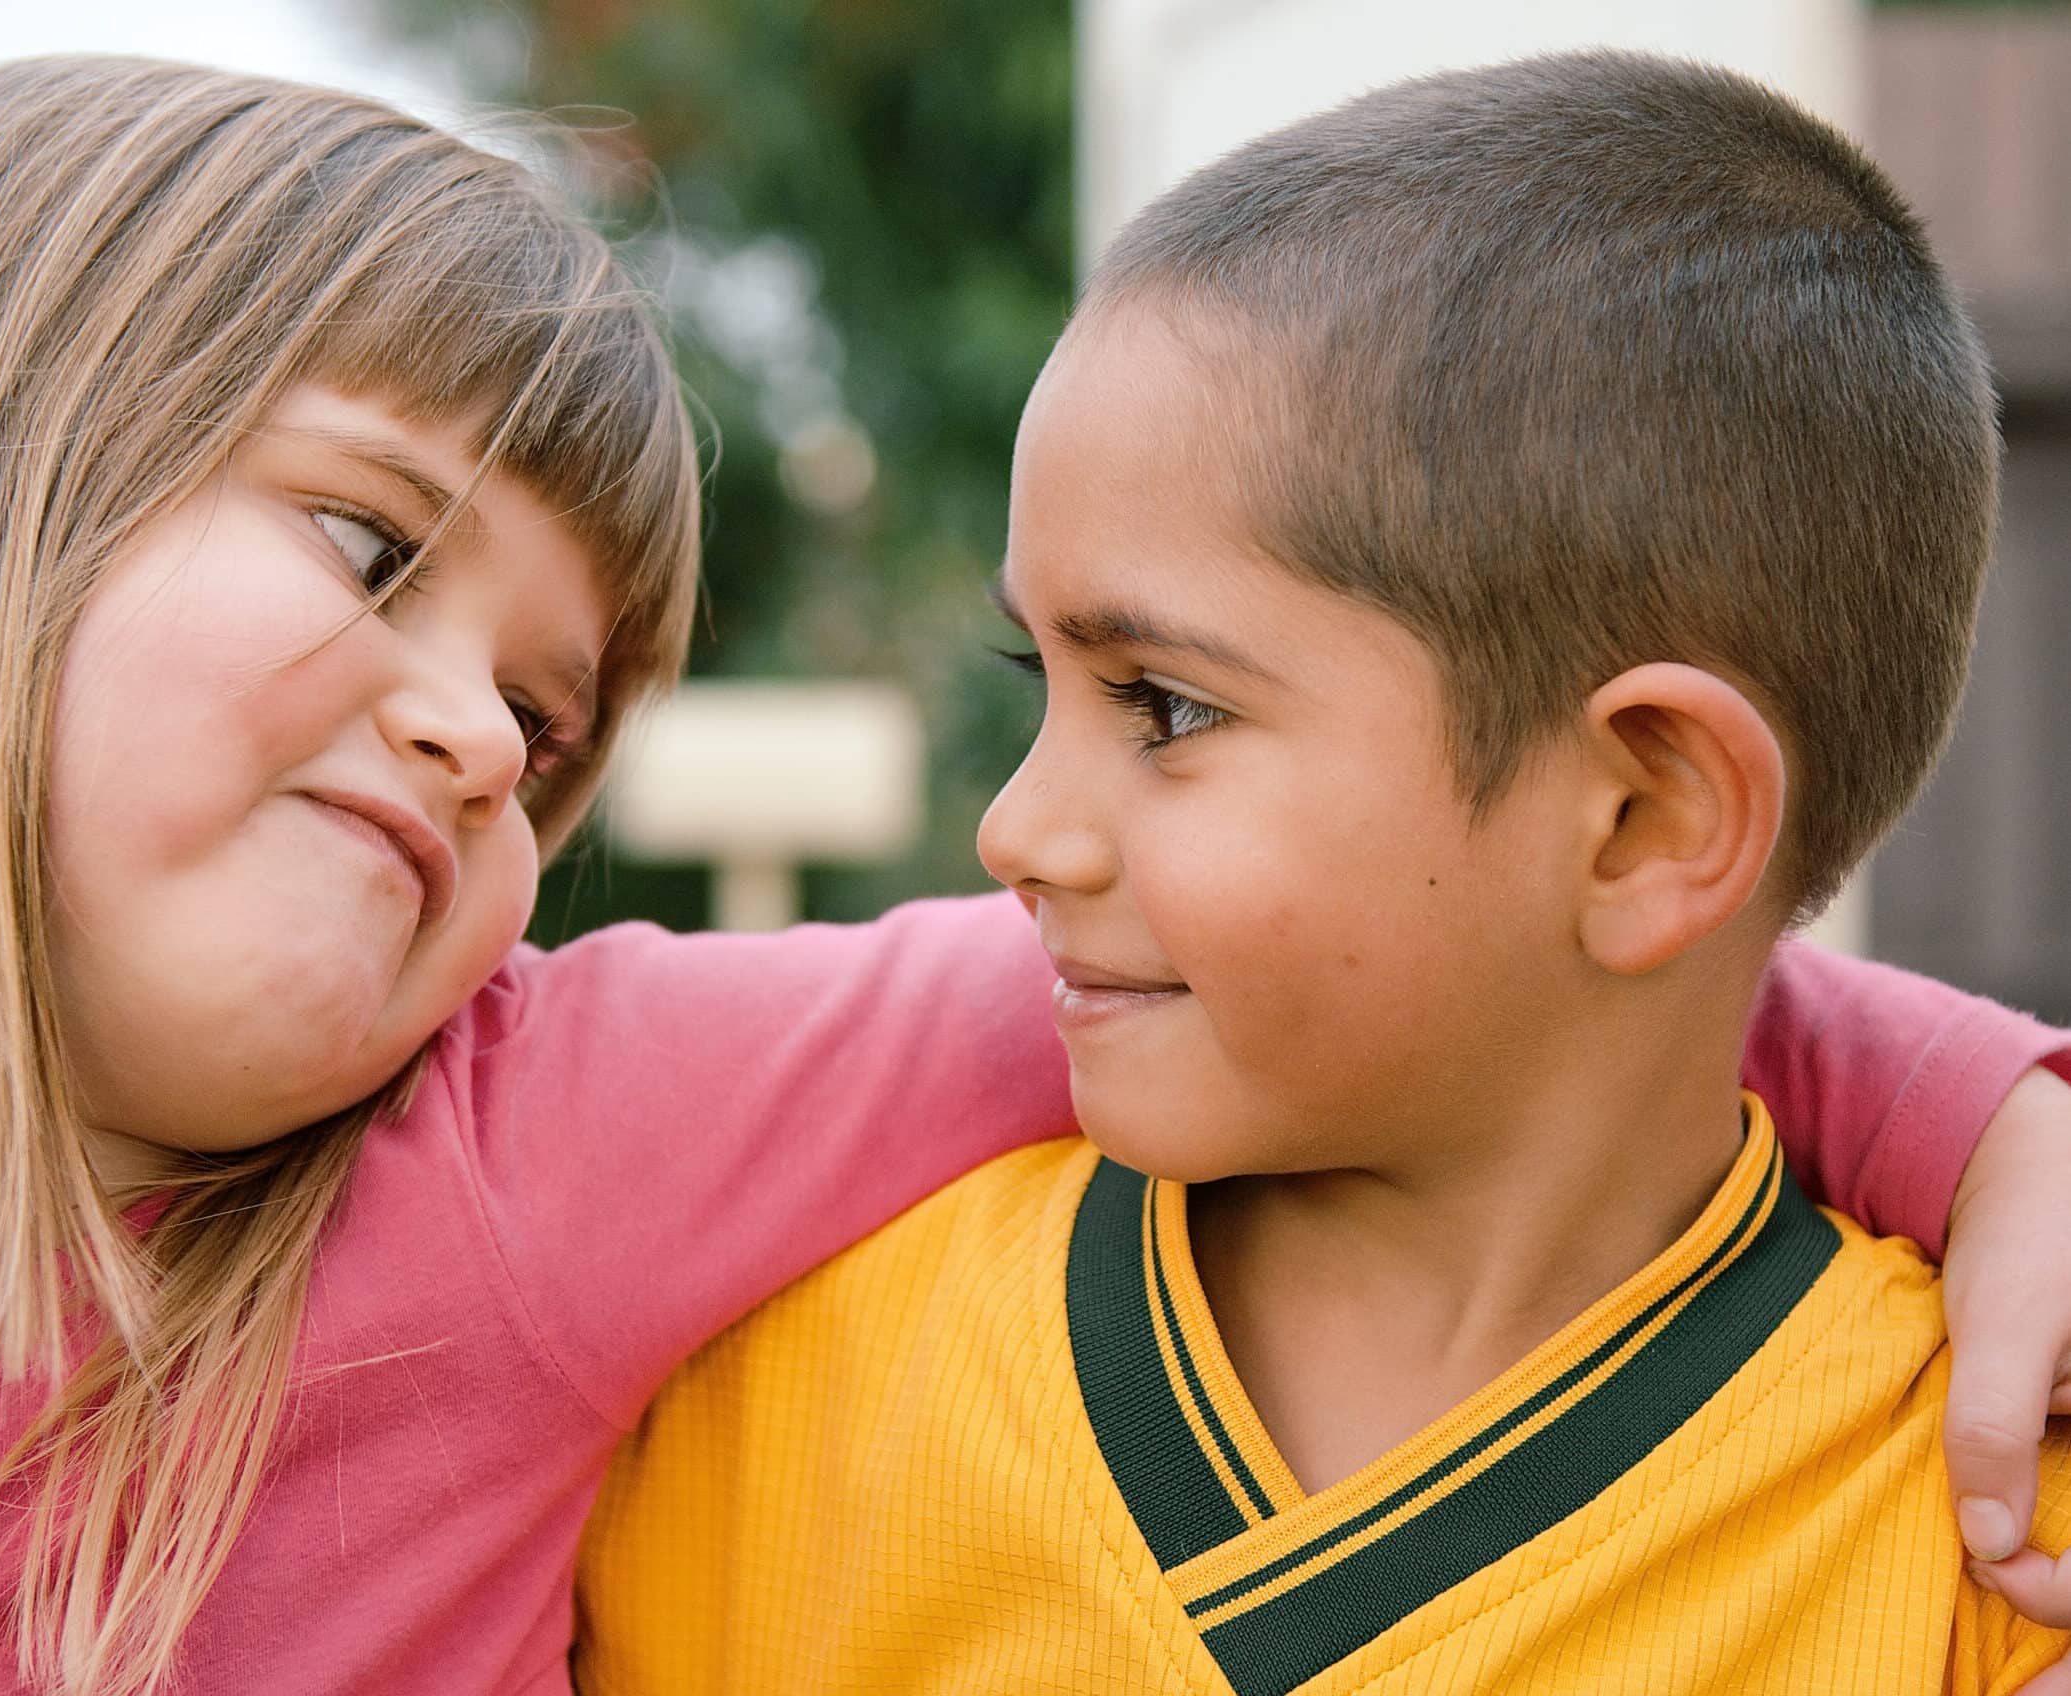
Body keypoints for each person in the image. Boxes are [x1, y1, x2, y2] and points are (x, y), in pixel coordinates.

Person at [0, 49, 2064, 1696]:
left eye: (555, 724)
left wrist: (1988, 1121)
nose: (480, 734)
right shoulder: (796, 1363)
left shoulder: (531, 1143)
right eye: (367, 541)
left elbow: (1508, 990)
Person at [573, 52, 2071, 1695]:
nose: (1014, 830)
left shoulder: (1991, 1529)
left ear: (1644, 821)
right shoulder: (773, 1402)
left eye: (1167, 705)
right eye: (1040, 685)